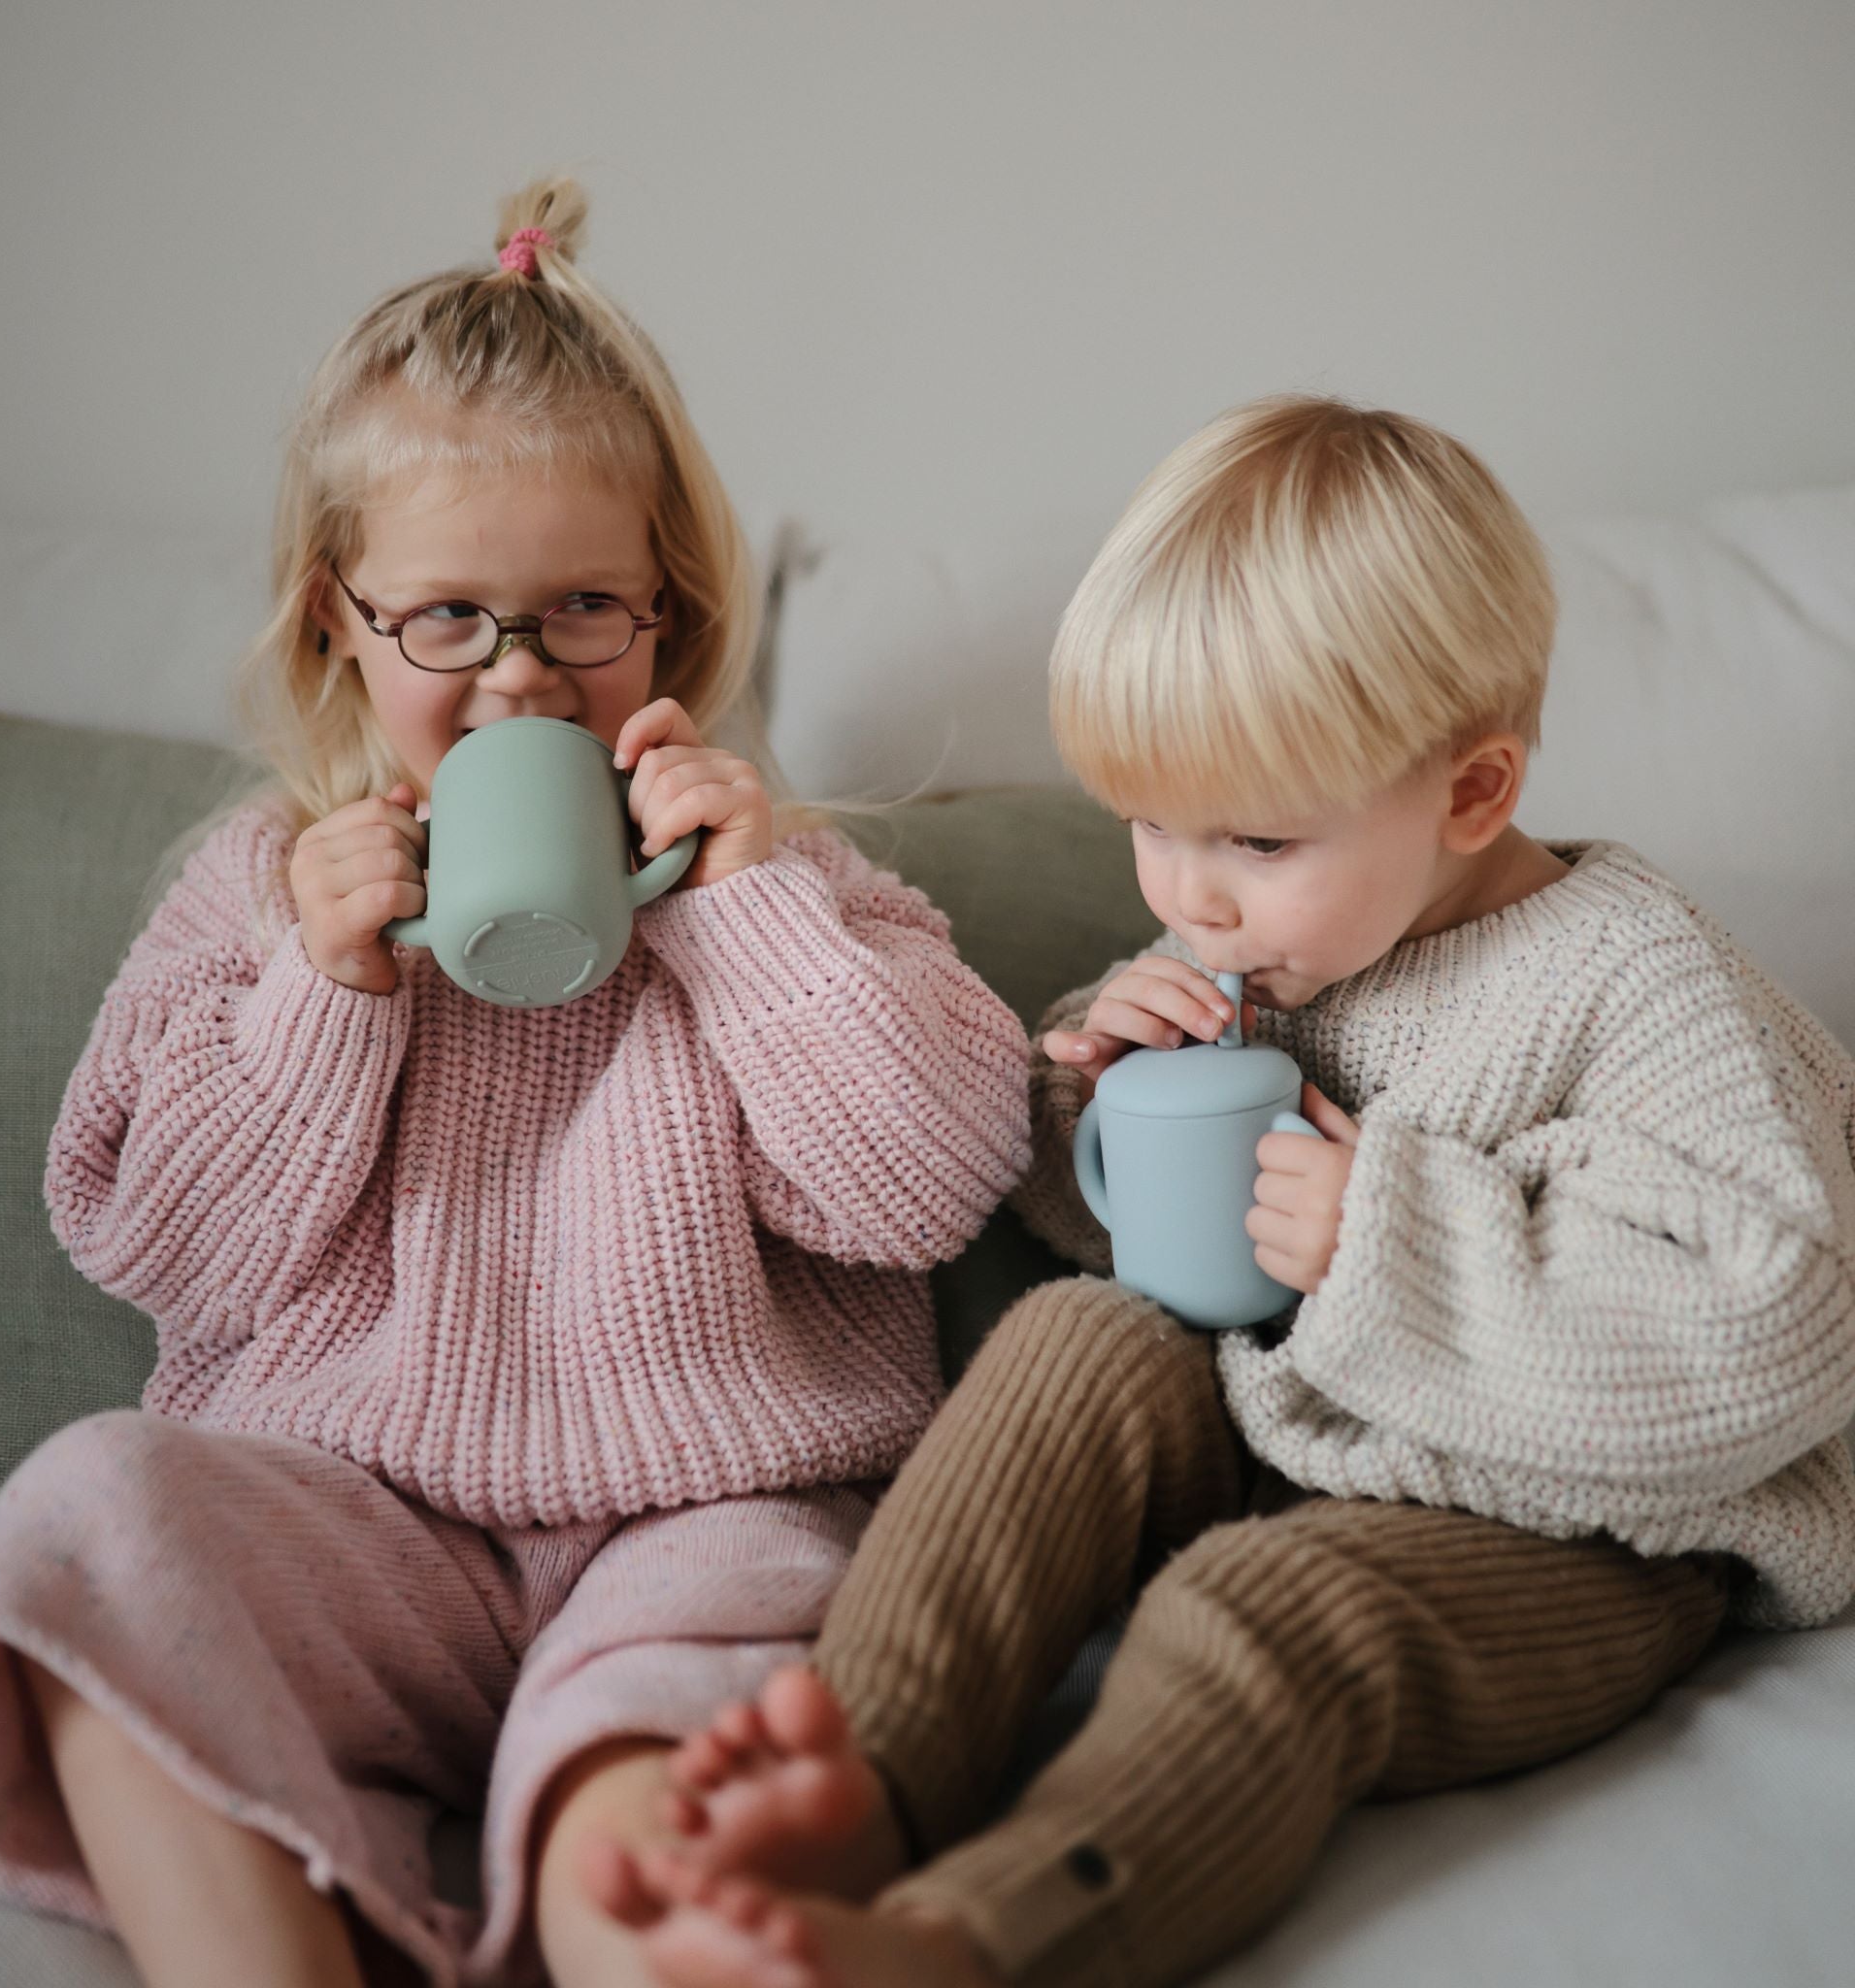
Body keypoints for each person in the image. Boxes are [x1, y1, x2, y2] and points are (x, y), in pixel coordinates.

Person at [0, 175, 1032, 1988]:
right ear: (342, 619)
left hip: (702, 1519)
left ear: (671, 613)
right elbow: (151, 1239)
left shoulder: (776, 878)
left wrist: (756, 919)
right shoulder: (267, 891)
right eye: (449, 622)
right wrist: (319, 993)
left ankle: (636, 1918)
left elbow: (922, 1184)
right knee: (93, 1518)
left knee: (682, 1787)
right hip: (357, 1525)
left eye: (584, 610)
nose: (517, 682)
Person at [584, 395, 1855, 1988]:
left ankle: (965, 1941)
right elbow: (1133, 1232)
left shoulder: (1639, 979)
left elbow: (1779, 1322)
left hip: (1584, 1528)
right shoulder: (1269, 932)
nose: (1192, 894)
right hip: (1295, 1424)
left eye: (1253, 837)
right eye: (1150, 825)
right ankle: (858, 1778)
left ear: (1471, 793)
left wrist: (1377, 1239)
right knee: (1069, 1345)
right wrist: (1092, 1097)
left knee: (1267, 1610)